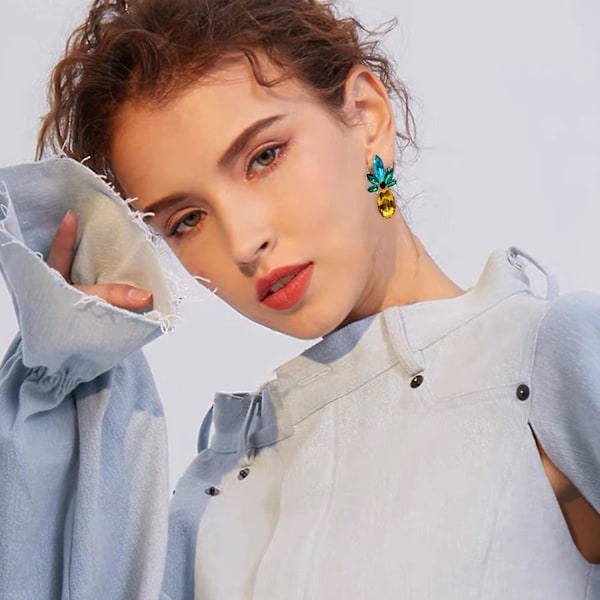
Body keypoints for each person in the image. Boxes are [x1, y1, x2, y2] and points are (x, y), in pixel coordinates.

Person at [0, 0, 598, 598]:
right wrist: (61, 377)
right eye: (187, 219)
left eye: (264, 156)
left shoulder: (544, 364)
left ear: (366, 118)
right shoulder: (217, 498)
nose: (243, 242)